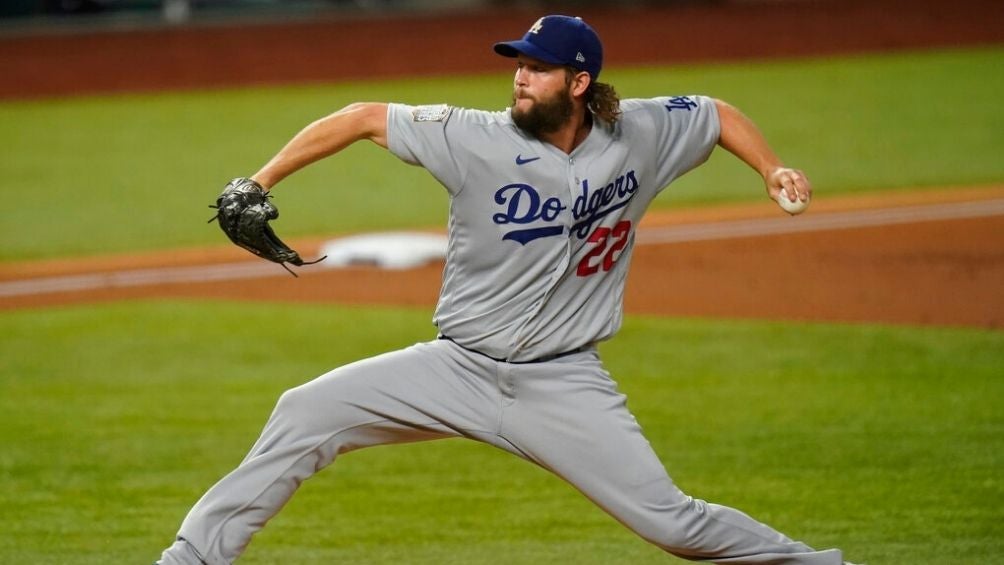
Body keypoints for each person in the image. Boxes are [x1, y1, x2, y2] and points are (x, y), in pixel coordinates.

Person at [158, 14, 854, 565]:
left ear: (578, 83)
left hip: (563, 383)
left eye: (537, 67)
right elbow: (364, 116)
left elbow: (714, 111)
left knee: (671, 522)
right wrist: (260, 180)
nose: (520, 78)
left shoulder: (639, 132)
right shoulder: (471, 137)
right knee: (305, 411)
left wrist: (770, 167)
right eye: (518, 64)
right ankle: (189, 558)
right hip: (455, 367)